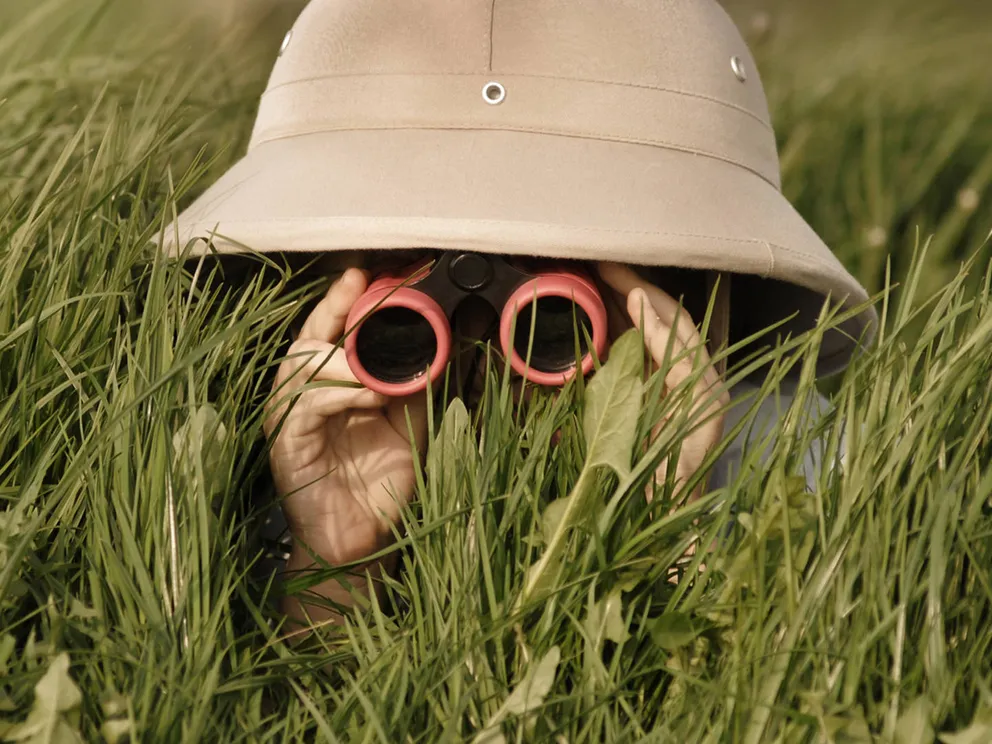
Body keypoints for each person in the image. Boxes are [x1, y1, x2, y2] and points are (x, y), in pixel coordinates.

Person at [160, 0, 877, 628]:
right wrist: (334, 562)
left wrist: (671, 524)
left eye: (551, 325)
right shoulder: (270, 455)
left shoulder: (789, 455)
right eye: (406, 320)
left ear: (681, 293)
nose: (484, 351)